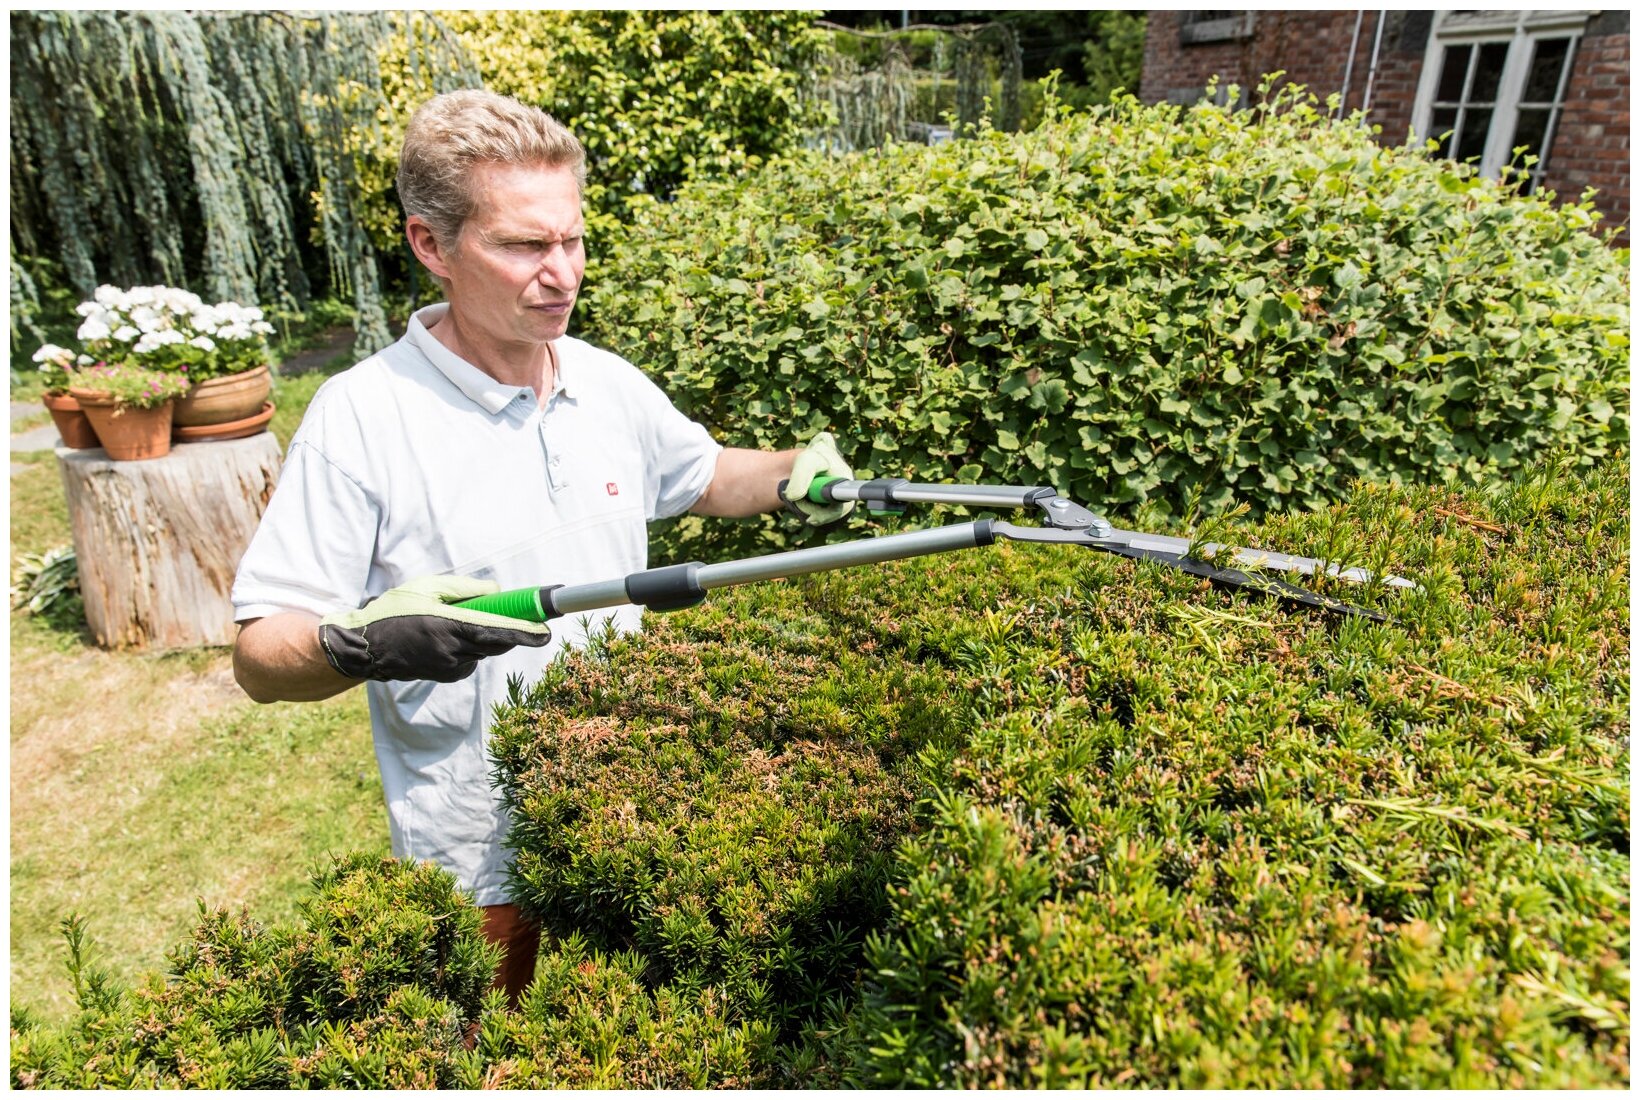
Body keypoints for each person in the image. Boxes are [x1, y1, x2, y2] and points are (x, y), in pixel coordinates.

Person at [230, 89, 854, 1005]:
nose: (560, 273)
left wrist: (797, 467)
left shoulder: (604, 381)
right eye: (523, 246)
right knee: (495, 1050)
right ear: (429, 245)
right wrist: (358, 643)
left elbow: (707, 475)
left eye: (572, 240)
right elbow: (257, 653)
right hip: (479, 853)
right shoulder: (363, 418)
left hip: (635, 804)